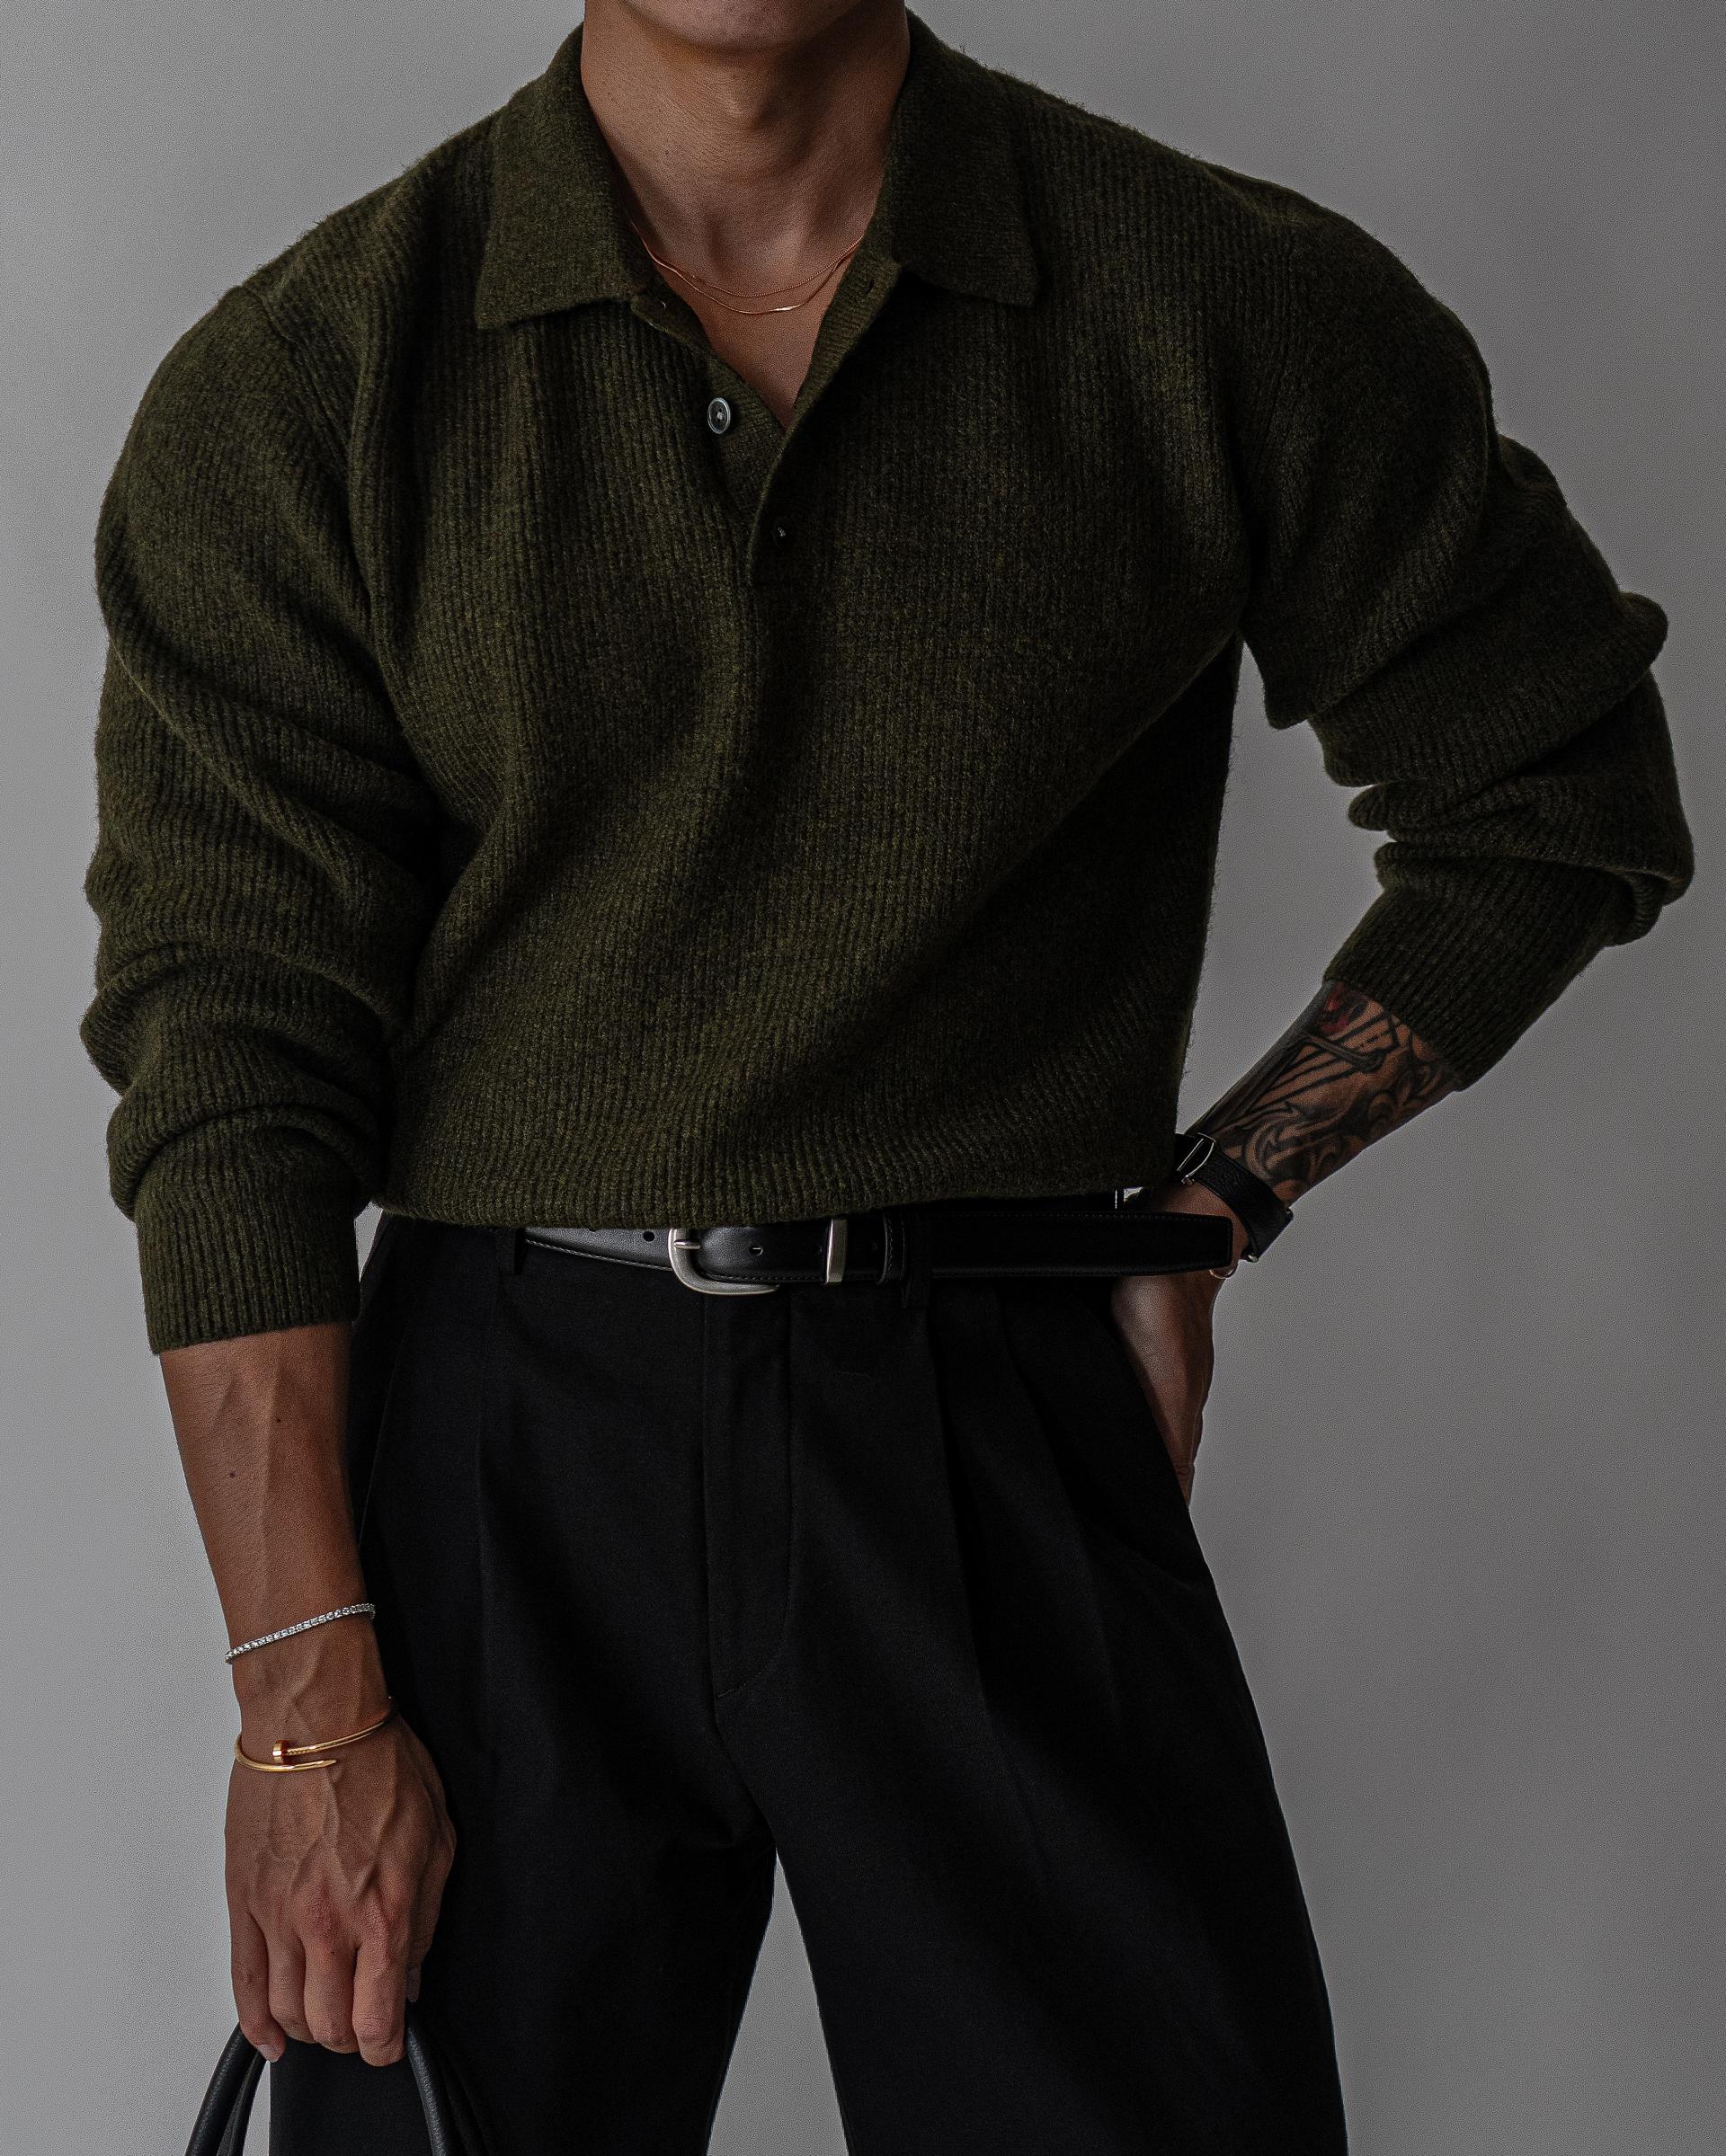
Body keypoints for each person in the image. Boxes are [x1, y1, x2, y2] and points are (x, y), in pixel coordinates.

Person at [79, 4, 1693, 2151]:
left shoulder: (1215, 301)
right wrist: (303, 1708)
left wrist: (1222, 1199)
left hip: (986, 1402)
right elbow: (231, 1068)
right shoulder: (314, 380)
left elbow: (1553, 794)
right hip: (494, 1457)